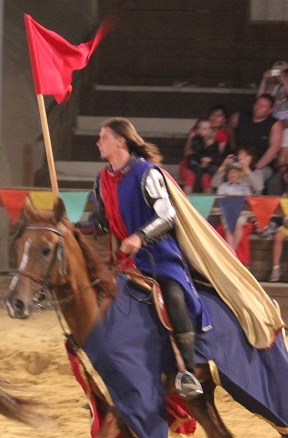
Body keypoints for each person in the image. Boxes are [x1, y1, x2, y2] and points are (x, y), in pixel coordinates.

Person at [85, 118, 204, 400]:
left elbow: (166, 215)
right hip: (125, 263)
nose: (98, 142)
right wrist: (77, 228)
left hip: (159, 258)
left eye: (104, 137)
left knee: (174, 299)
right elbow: (103, 222)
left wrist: (139, 236)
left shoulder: (147, 173)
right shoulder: (102, 180)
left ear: (121, 142)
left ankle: (187, 372)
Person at [231, 94, 285, 195]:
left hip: (261, 165)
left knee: (255, 183)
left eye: (263, 106)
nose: (258, 107)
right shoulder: (240, 116)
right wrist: (233, 147)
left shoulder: (274, 124)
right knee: (229, 176)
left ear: (270, 110)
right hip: (239, 161)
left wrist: (255, 167)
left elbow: (274, 148)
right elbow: (230, 128)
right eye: (258, 103)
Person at [181, 117, 225, 194]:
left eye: (209, 128)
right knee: (194, 175)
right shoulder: (196, 139)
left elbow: (217, 157)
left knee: (210, 176)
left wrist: (210, 159)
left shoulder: (214, 142)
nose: (208, 131)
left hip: (208, 166)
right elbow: (196, 151)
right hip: (195, 165)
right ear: (198, 131)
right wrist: (206, 145)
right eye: (204, 129)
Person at [257, 60, 288, 128]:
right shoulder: (272, 87)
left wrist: (285, 81)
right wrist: (264, 80)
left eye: (283, 72)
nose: (280, 74)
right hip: (274, 117)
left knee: (277, 125)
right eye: (277, 72)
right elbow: (260, 98)